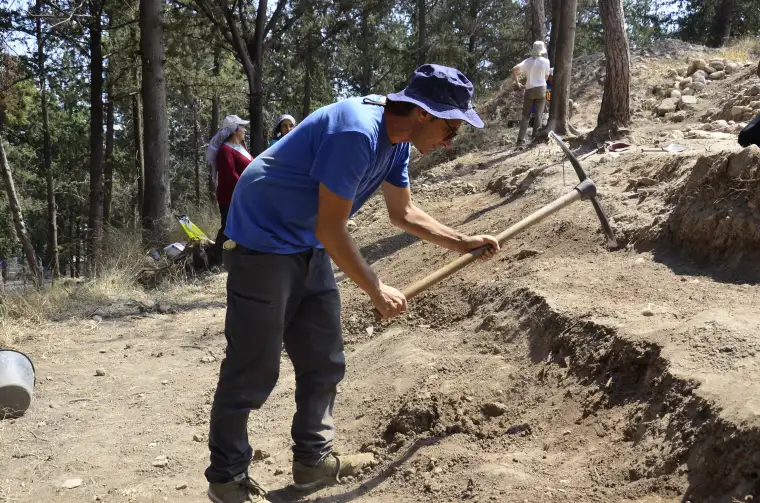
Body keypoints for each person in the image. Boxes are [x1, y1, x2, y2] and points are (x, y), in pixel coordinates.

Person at [204, 64, 500, 503]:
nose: (451, 140)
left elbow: (404, 213)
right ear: (423, 113)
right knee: (253, 366)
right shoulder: (357, 132)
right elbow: (332, 227)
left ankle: (311, 462)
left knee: (324, 358)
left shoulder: (396, 142)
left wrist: (462, 242)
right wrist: (377, 289)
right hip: (264, 239)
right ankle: (227, 479)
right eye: (450, 126)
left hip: (308, 240)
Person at [206, 115, 253, 252]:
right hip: (230, 197)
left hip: (241, 194)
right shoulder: (225, 151)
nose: (245, 130)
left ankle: (232, 254)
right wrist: (246, 190)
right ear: (234, 130)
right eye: (242, 127)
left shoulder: (240, 147)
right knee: (229, 227)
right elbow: (230, 175)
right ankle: (223, 257)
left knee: (239, 226)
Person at [512, 41, 551, 145]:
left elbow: (514, 69)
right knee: (539, 115)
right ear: (542, 51)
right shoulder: (546, 61)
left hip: (530, 90)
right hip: (542, 89)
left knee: (526, 116)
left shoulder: (528, 61)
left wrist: (517, 83)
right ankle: (535, 139)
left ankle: (520, 141)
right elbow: (546, 77)